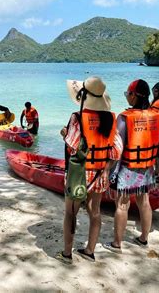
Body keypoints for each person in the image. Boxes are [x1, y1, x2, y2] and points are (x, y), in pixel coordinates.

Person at [56, 77, 119, 264]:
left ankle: (67, 253)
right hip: (100, 172)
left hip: (79, 172)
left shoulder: (77, 117)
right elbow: (116, 150)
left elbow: (72, 146)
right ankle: (90, 250)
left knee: (70, 212)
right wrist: (107, 168)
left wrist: (64, 134)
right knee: (95, 211)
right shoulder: (111, 117)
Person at [104, 79, 159, 253]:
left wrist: (108, 170)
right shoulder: (155, 115)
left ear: (134, 95)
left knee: (122, 204)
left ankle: (117, 243)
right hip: (147, 165)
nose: (127, 97)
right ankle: (144, 238)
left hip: (128, 167)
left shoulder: (125, 117)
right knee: (144, 202)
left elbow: (117, 147)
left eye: (128, 94)